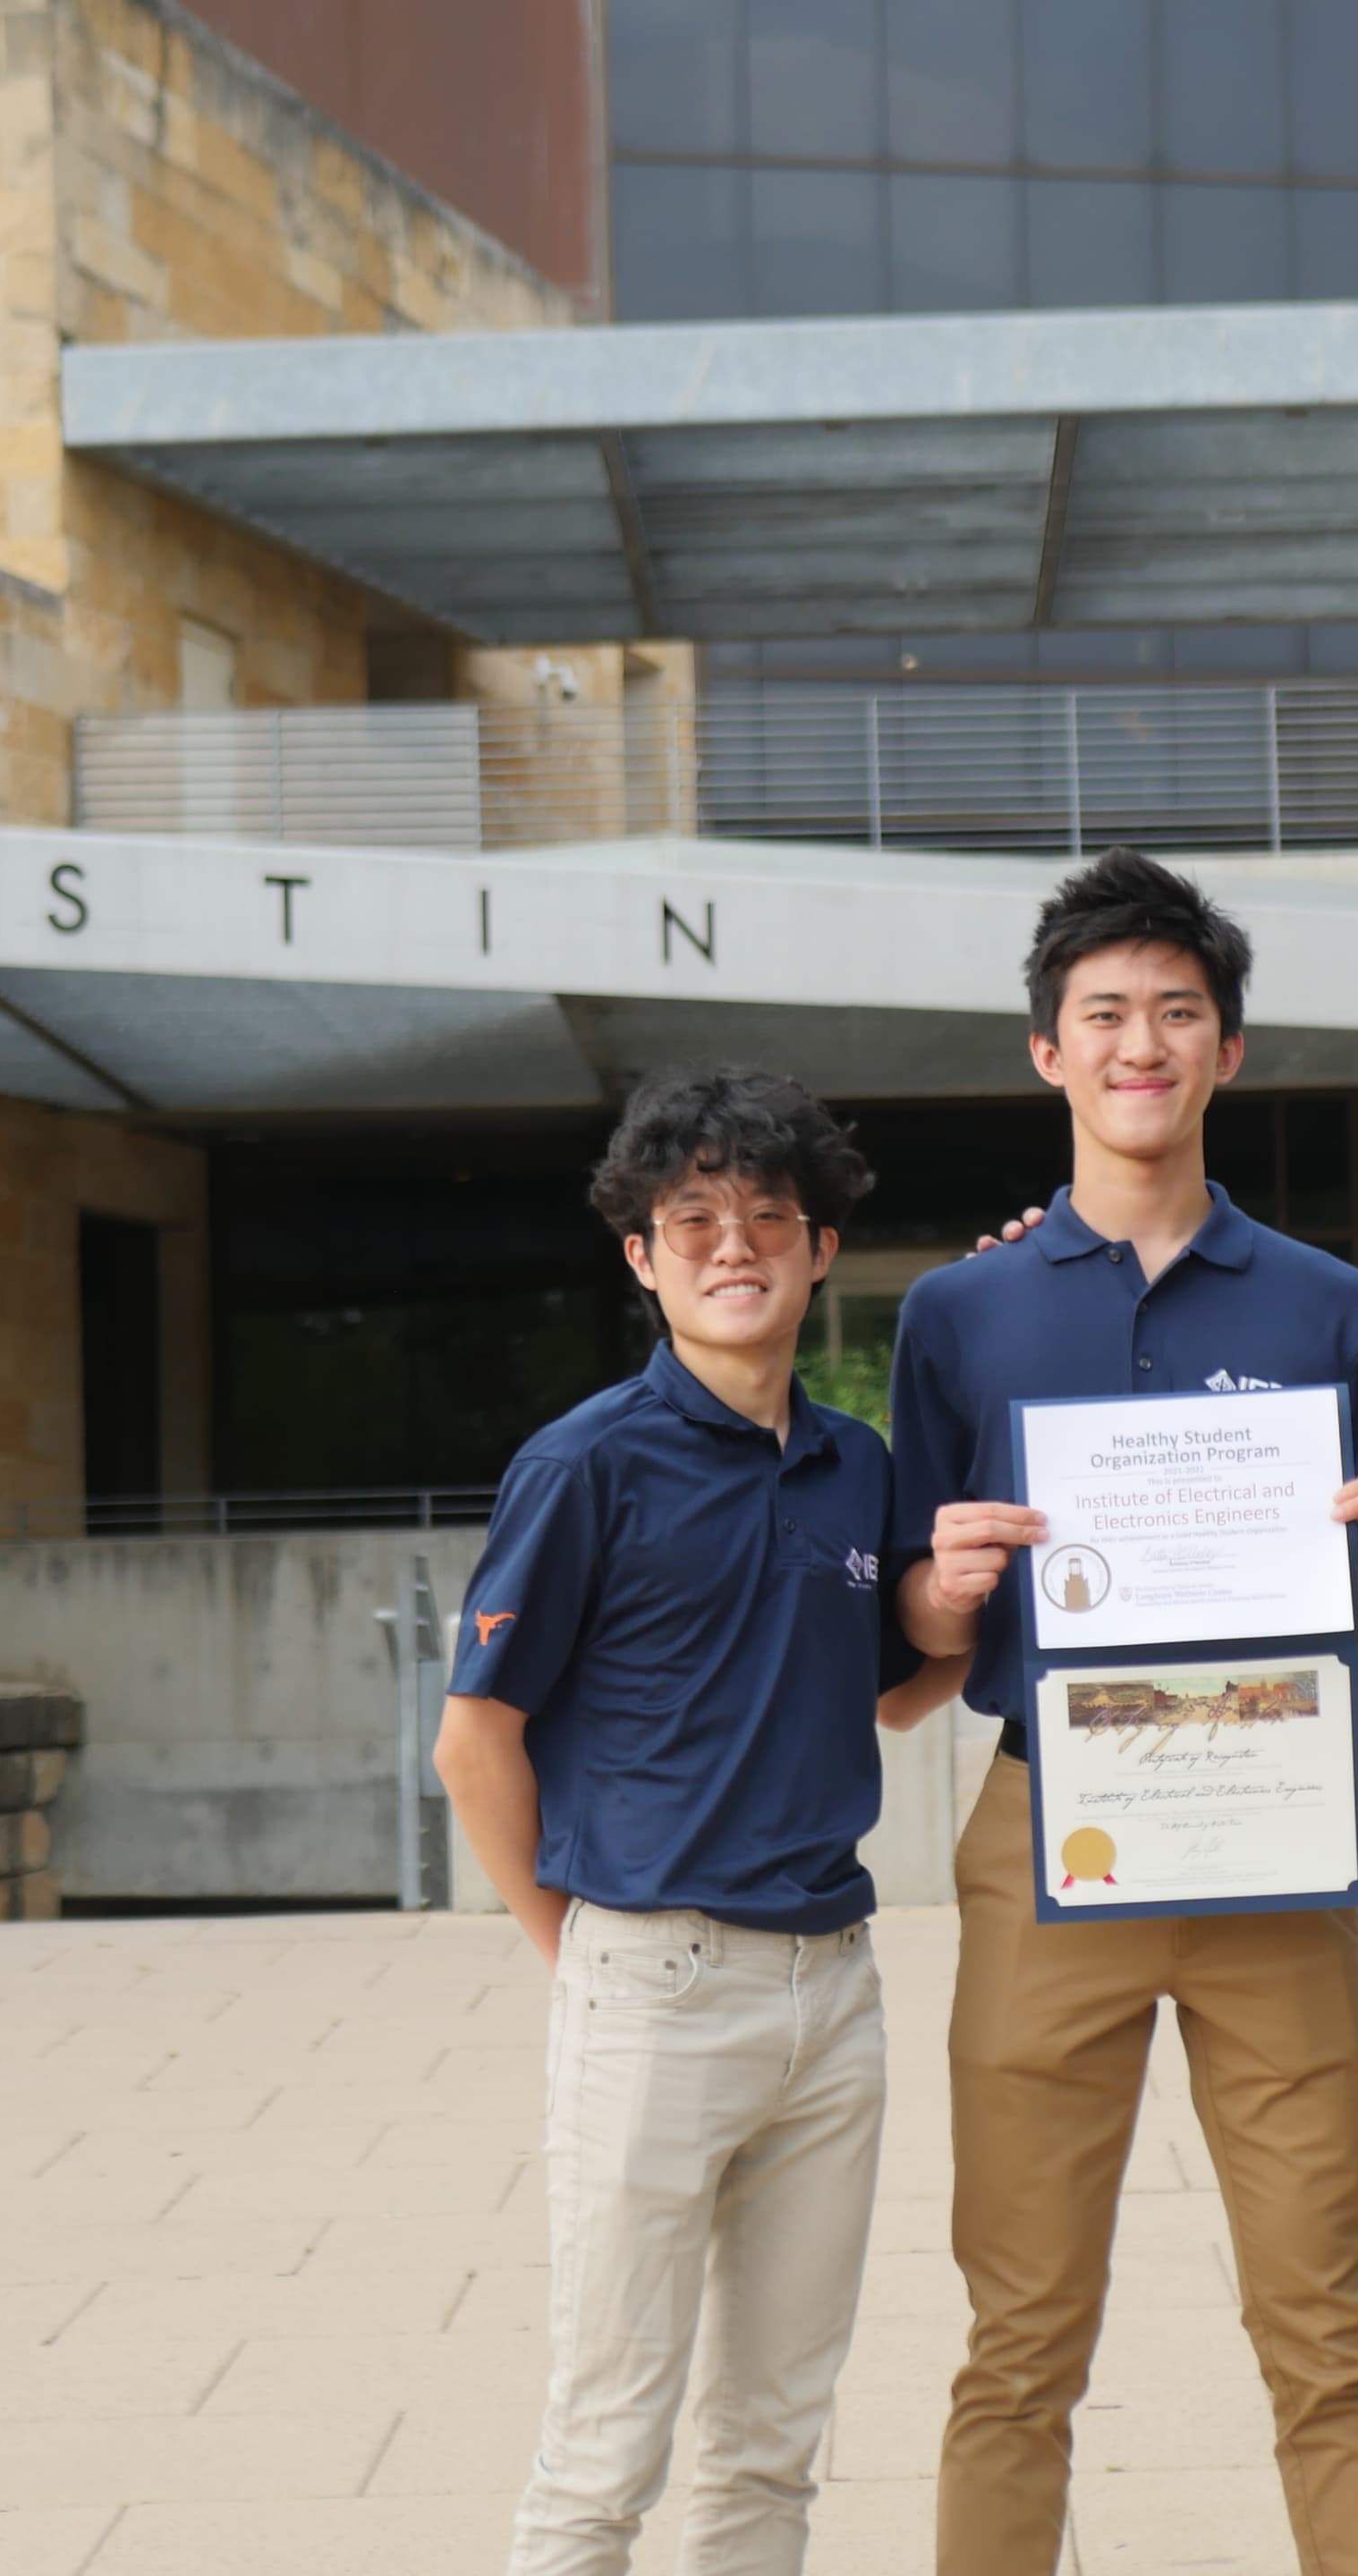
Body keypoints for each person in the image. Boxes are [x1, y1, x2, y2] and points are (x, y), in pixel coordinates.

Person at [885, 847, 1358, 2576]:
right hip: (1046, 1828)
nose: (1144, 1043)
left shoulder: (1326, 1303)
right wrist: (945, 1584)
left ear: (1229, 1054)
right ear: (1047, 1053)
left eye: (1179, 1014)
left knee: (1327, 2327)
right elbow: (904, 1639)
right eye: (1106, 1014)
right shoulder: (956, 1312)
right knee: (1019, 2339)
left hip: (1271, 1833)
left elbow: (1345, 1612)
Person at [434, 1065, 957, 2576]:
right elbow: (476, 1742)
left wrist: (968, 1599)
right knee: (608, 2444)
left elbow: (892, 1695)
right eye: (695, 1222)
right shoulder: (588, 1463)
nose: (735, 1247)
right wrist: (579, 1949)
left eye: (767, 1220)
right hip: (650, 1983)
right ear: (642, 1256)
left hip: (834, 1996)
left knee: (774, 2442)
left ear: (818, 1251)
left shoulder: (854, 1466)